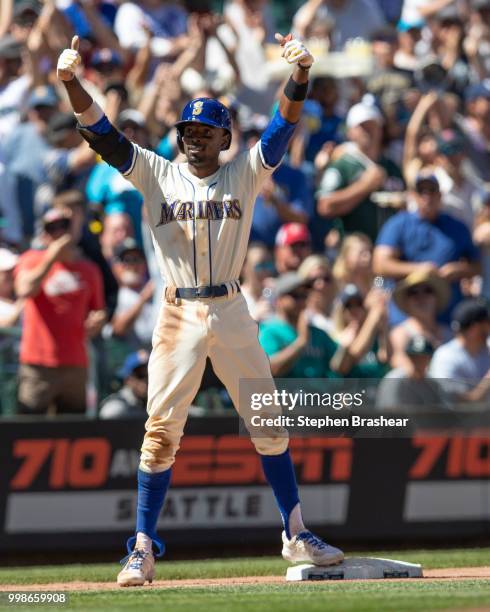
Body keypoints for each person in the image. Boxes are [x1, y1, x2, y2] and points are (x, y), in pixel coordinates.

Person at [57, 32, 344, 586]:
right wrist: (72, 83)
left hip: (232, 308)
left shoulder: (245, 172)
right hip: (177, 311)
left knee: (268, 421)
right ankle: (141, 547)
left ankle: (296, 531)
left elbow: (283, 127)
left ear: (223, 136)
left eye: (204, 131)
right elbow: (102, 135)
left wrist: (301, 74)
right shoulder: (156, 172)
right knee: (161, 431)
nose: (193, 138)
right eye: (187, 130)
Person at [14, 207, 106, 415]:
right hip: (37, 364)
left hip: (75, 362)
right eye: (51, 228)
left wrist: (98, 320)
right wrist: (52, 257)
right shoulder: (30, 259)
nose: (58, 232)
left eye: (63, 226)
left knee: (72, 430)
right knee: (29, 430)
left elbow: (98, 311)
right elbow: (25, 289)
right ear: (44, 233)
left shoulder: (89, 270)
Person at [373, 171, 481, 325]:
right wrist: (420, 270)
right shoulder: (399, 224)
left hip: (447, 317)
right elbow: (379, 265)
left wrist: (459, 270)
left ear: (440, 195)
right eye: (421, 191)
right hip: (407, 317)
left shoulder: (456, 227)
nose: (427, 196)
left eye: (432, 191)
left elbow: (477, 266)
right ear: (413, 195)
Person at [316, 96, 404, 242]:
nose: (368, 130)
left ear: (381, 129)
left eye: (373, 125)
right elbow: (325, 206)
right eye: (362, 126)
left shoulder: (391, 166)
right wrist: (364, 186)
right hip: (352, 249)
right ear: (350, 131)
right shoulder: (342, 165)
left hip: (388, 249)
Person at [429, 299, 490, 403]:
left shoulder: (485, 349)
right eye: (487, 323)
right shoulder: (446, 357)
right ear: (474, 329)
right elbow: (458, 404)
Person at [389, 270, 452, 370]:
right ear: (406, 301)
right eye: (413, 292)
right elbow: (399, 366)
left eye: (427, 290)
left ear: (436, 297)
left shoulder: (449, 334)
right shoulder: (400, 335)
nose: (421, 297)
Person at [376, 335, 446, 412]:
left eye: (422, 358)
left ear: (429, 359)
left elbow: (439, 414)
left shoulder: (433, 384)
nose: (417, 362)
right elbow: (390, 414)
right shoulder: (394, 380)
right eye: (414, 357)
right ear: (408, 357)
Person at [99, 350, 149, 419]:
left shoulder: (158, 405)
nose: (146, 380)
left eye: (150, 374)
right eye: (140, 374)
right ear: (128, 379)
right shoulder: (116, 408)